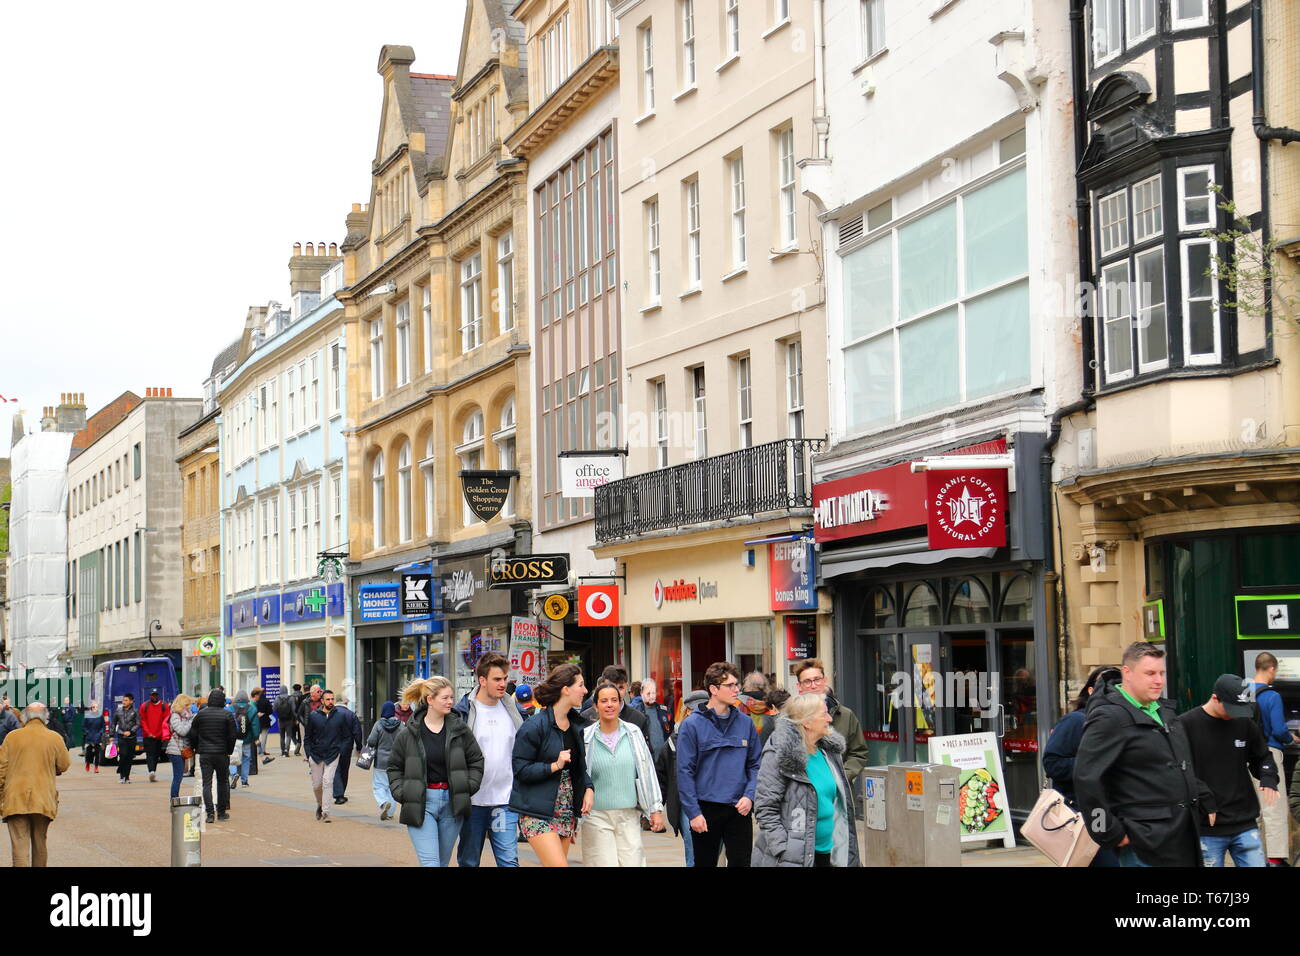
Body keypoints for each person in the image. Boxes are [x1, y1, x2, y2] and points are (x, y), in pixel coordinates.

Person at [1075, 641, 1213, 867]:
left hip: (1181, 838)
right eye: (1150, 673)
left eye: (1161, 673)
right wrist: (1109, 832)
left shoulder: (1164, 712)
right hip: (1144, 845)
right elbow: (1086, 779)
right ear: (1127, 673)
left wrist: (1203, 795)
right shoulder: (1109, 718)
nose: (1159, 680)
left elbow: (1176, 765)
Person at [1177, 674, 1280, 868]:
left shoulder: (1244, 723)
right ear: (1215, 698)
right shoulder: (1186, 724)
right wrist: (1202, 797)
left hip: (1244, 821)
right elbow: (1179, 770)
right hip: (1208, 826)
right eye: (1231, 708)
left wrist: (1268, 777)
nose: (1235, 714)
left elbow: (1262, 756)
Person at [752, 693, 861, 867]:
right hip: (793, 858)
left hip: (829, 853)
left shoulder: (829, 752)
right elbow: (765, 807)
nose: (830, 718)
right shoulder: (779, 753)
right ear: (807, 722)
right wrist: (783, 848)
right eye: (824, 714)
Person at [386, 676, 484, 867]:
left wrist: (467, 786)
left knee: (442, 862)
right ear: (430, 700)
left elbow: (476, 760)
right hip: (421, 803)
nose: (450, 702)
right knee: (430, 862)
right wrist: (403, 793)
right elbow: (394, 767)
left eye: (451, 697)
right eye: (445, 698)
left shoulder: (459, 729)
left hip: (452, 803)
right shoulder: (408, 733)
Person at [678, 661, 762, 868]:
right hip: (705, 810)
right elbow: (684, 772)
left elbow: (755, 765)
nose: (737, 690)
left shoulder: (745, 723)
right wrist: (693, 813)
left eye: (737, 685)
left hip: (739, 809)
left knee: (741, 863)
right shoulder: (692, 725)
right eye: (730, 685)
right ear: (714, 690)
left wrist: (749, 796)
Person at [510, 663, 593, 867]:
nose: (585, 690)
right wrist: (554, 765)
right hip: (536, 811)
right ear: (566, 689)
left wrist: (589, 787)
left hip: (565, 810)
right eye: (580, 685)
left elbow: (579, 768)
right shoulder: (534, 726)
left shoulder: (576, 725)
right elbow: (520, 770)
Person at [1040, 664, 1122, 867]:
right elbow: (1052, 764)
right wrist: (1094, 764)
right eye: (1106, 687)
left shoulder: (1122, 722)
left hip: (1117, 815)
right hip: (1085, 815)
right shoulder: (1076, 721)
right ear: (1091, 690)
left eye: (1119, 687)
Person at [581, 680, 665, 866]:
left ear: (620, 704)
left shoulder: (633, 732)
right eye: (604, 701)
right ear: (595, 706)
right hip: (596, 816)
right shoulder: (586, 737)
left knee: (633, 862)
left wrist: (656, 809)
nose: (609, 705)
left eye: (614, 700)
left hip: (629, 815)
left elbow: (647, 771)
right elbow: (579, 778)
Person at [453, 652, 525, 867]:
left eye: (505, 679)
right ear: (482, 680)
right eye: (497, 679)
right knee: (469, 860)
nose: (503, 684)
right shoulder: (463, 712)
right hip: (473, 802)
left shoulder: (514, 711)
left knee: (509, 861)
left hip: (505, 801)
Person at [0, 703, 71, 867]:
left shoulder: (12, 737)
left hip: (15, 798)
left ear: (24, 717)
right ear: (45, 717)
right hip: (43, 799)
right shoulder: (54, 737)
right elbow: (64, 765)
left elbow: (1, 768)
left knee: (19, 846)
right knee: (40, 844)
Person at [1251, 652, 1296, 866]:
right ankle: (1275, 859)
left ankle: (1256, 857)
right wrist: (1291, 737)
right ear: (1271, 669)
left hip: (1246, 756)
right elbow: (1279, 729)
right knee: (1274, 808)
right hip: (1269, 754)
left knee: (1257, 811)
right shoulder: (1272, 696)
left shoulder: (1244, 692)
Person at [794, 659, 870, 785]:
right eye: (807, 682)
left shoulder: (845, 715)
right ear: (799, 687)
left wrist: (841, 776)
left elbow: (858, 752)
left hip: (839, 793)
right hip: (804, 791)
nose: (813, 685)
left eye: (817, 679)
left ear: (825, 681)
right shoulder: (791, 718)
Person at [655, 689, 707, 866]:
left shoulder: (718, 736)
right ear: (687, 712)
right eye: (694, 711)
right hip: (687, 803)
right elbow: (662, 775)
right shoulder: (673, 742)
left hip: (715, 801)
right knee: (693, 852)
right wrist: (655, 808)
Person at [189, 689, 237, 823]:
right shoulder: (227, 715)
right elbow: (233, 735)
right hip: (222, 753)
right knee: (222, 782)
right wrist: (229, 750)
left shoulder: (201, 715)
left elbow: (192, 733)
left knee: (207, 783)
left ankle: (210, 813)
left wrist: (196, 747)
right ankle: (221, 812)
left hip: (205, 753)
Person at [303, 689, 349, 823]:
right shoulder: (313, 716)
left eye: (332, 699)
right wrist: (309, 753)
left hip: (333, 755)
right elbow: (307, 737)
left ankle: (326, 812)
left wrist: (341, 750)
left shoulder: (340, 716)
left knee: (328, 782)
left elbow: (346, 736)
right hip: (316, 755)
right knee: (317, 785)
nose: (330, 702)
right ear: (322, 701)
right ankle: (320, 804)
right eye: (328, 699)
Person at [580, 665, 651, 741]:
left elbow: (645, 750)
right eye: (612, 687)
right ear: (602, 686)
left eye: (620, 687)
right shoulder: (586, 718)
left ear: (627, 687)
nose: (616, 693)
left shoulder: (638, 719)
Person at [367, 702, 402, 820]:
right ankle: (391, 813)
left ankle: (383, 802)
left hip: (381, 761)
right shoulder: (400, 725)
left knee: (379, 785)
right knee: (393, 786)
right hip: (396, 761)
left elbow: (371, 741)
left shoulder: (378, 724)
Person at [332, 694, 364, 805]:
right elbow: (357, 733)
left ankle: (338, 794)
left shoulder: (330, 713)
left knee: (335, 769)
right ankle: (341, 793)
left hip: (332, 746)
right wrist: (359, 747)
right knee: (344, 770)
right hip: (346, 747)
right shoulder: (351, 715)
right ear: (345, 702)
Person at [165, 695, 195, 801]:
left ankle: (174, 798)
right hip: (175, 750)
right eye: (187, 705)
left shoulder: (185, 715)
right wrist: (191, 721)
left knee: (179, 776)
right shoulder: (175, 716)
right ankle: (174, 799)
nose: (189, 707)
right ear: (182, 705)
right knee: (177, 777)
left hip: (181, 749)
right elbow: (182, 731)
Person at [634, 678, 673, 760]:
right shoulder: (636, 713)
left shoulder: (664, 710)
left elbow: (671, 731)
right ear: (641, 693)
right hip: (646, 759)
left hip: (664, 760)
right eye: (648, 693)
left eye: (653, 693)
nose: (651, 696)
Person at [138, 689, 168, 784]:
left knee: (156, 754)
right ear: (150, 695)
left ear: (158, 695)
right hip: (148, 735)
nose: (153, 697)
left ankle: (153, 771)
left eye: (155, 695)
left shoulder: (164, 706)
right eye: (152, 695)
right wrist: (148, 732)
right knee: (149, 754)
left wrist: (161, 733)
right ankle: (151, 771)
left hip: (159, 735)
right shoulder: (144, 706)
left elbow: (166, 719)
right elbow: (142, 720)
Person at [230, 690, 258, 789]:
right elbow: (255, 725)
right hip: (247, 738)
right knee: (246, 758)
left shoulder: (230, 708)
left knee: (232, 758)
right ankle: (244, 781)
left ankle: (234, 774)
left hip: (233, 739)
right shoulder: (252, 709)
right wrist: (256, 737)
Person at [111, 692, 140, 783]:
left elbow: (138, 724)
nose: (124, 702)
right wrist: (111, 735)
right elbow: (113, 723)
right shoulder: (118, 711)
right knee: (123, 754)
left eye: (126, 700)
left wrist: (131, 731)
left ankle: (127, 776)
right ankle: (121, 775)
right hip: (121, 736)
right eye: (123, 700)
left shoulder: (135, 711)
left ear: (131, 701)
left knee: (129, 757)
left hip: (132, 737)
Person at [296, 684, 324, 756]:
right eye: (318, 692)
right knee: (307, 741)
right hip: (306, 725)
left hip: (319, 726)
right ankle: (307, 756)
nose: (320, 693)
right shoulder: (305, 702)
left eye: (320, 691)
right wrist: (305, 723)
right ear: (312, 693)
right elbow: (299, 714)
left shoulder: (322, 702)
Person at [252, 688, 275, 766]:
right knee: (262, 737)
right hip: (263, 721)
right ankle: (262, 752)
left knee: (257, 738)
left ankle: (260, 753)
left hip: (257, 722)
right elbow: (270, 711)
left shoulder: (254, 702)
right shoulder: (265, 701)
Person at [275, 686, 300, 757]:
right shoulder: (291, 698)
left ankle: (282, 751)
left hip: (280, 720)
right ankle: (286, 750)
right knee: (289, 735)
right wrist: (296, 718)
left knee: (282, 736)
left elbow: (274, 709)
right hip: (289, 720)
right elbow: (294, 709)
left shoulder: (277, 698)